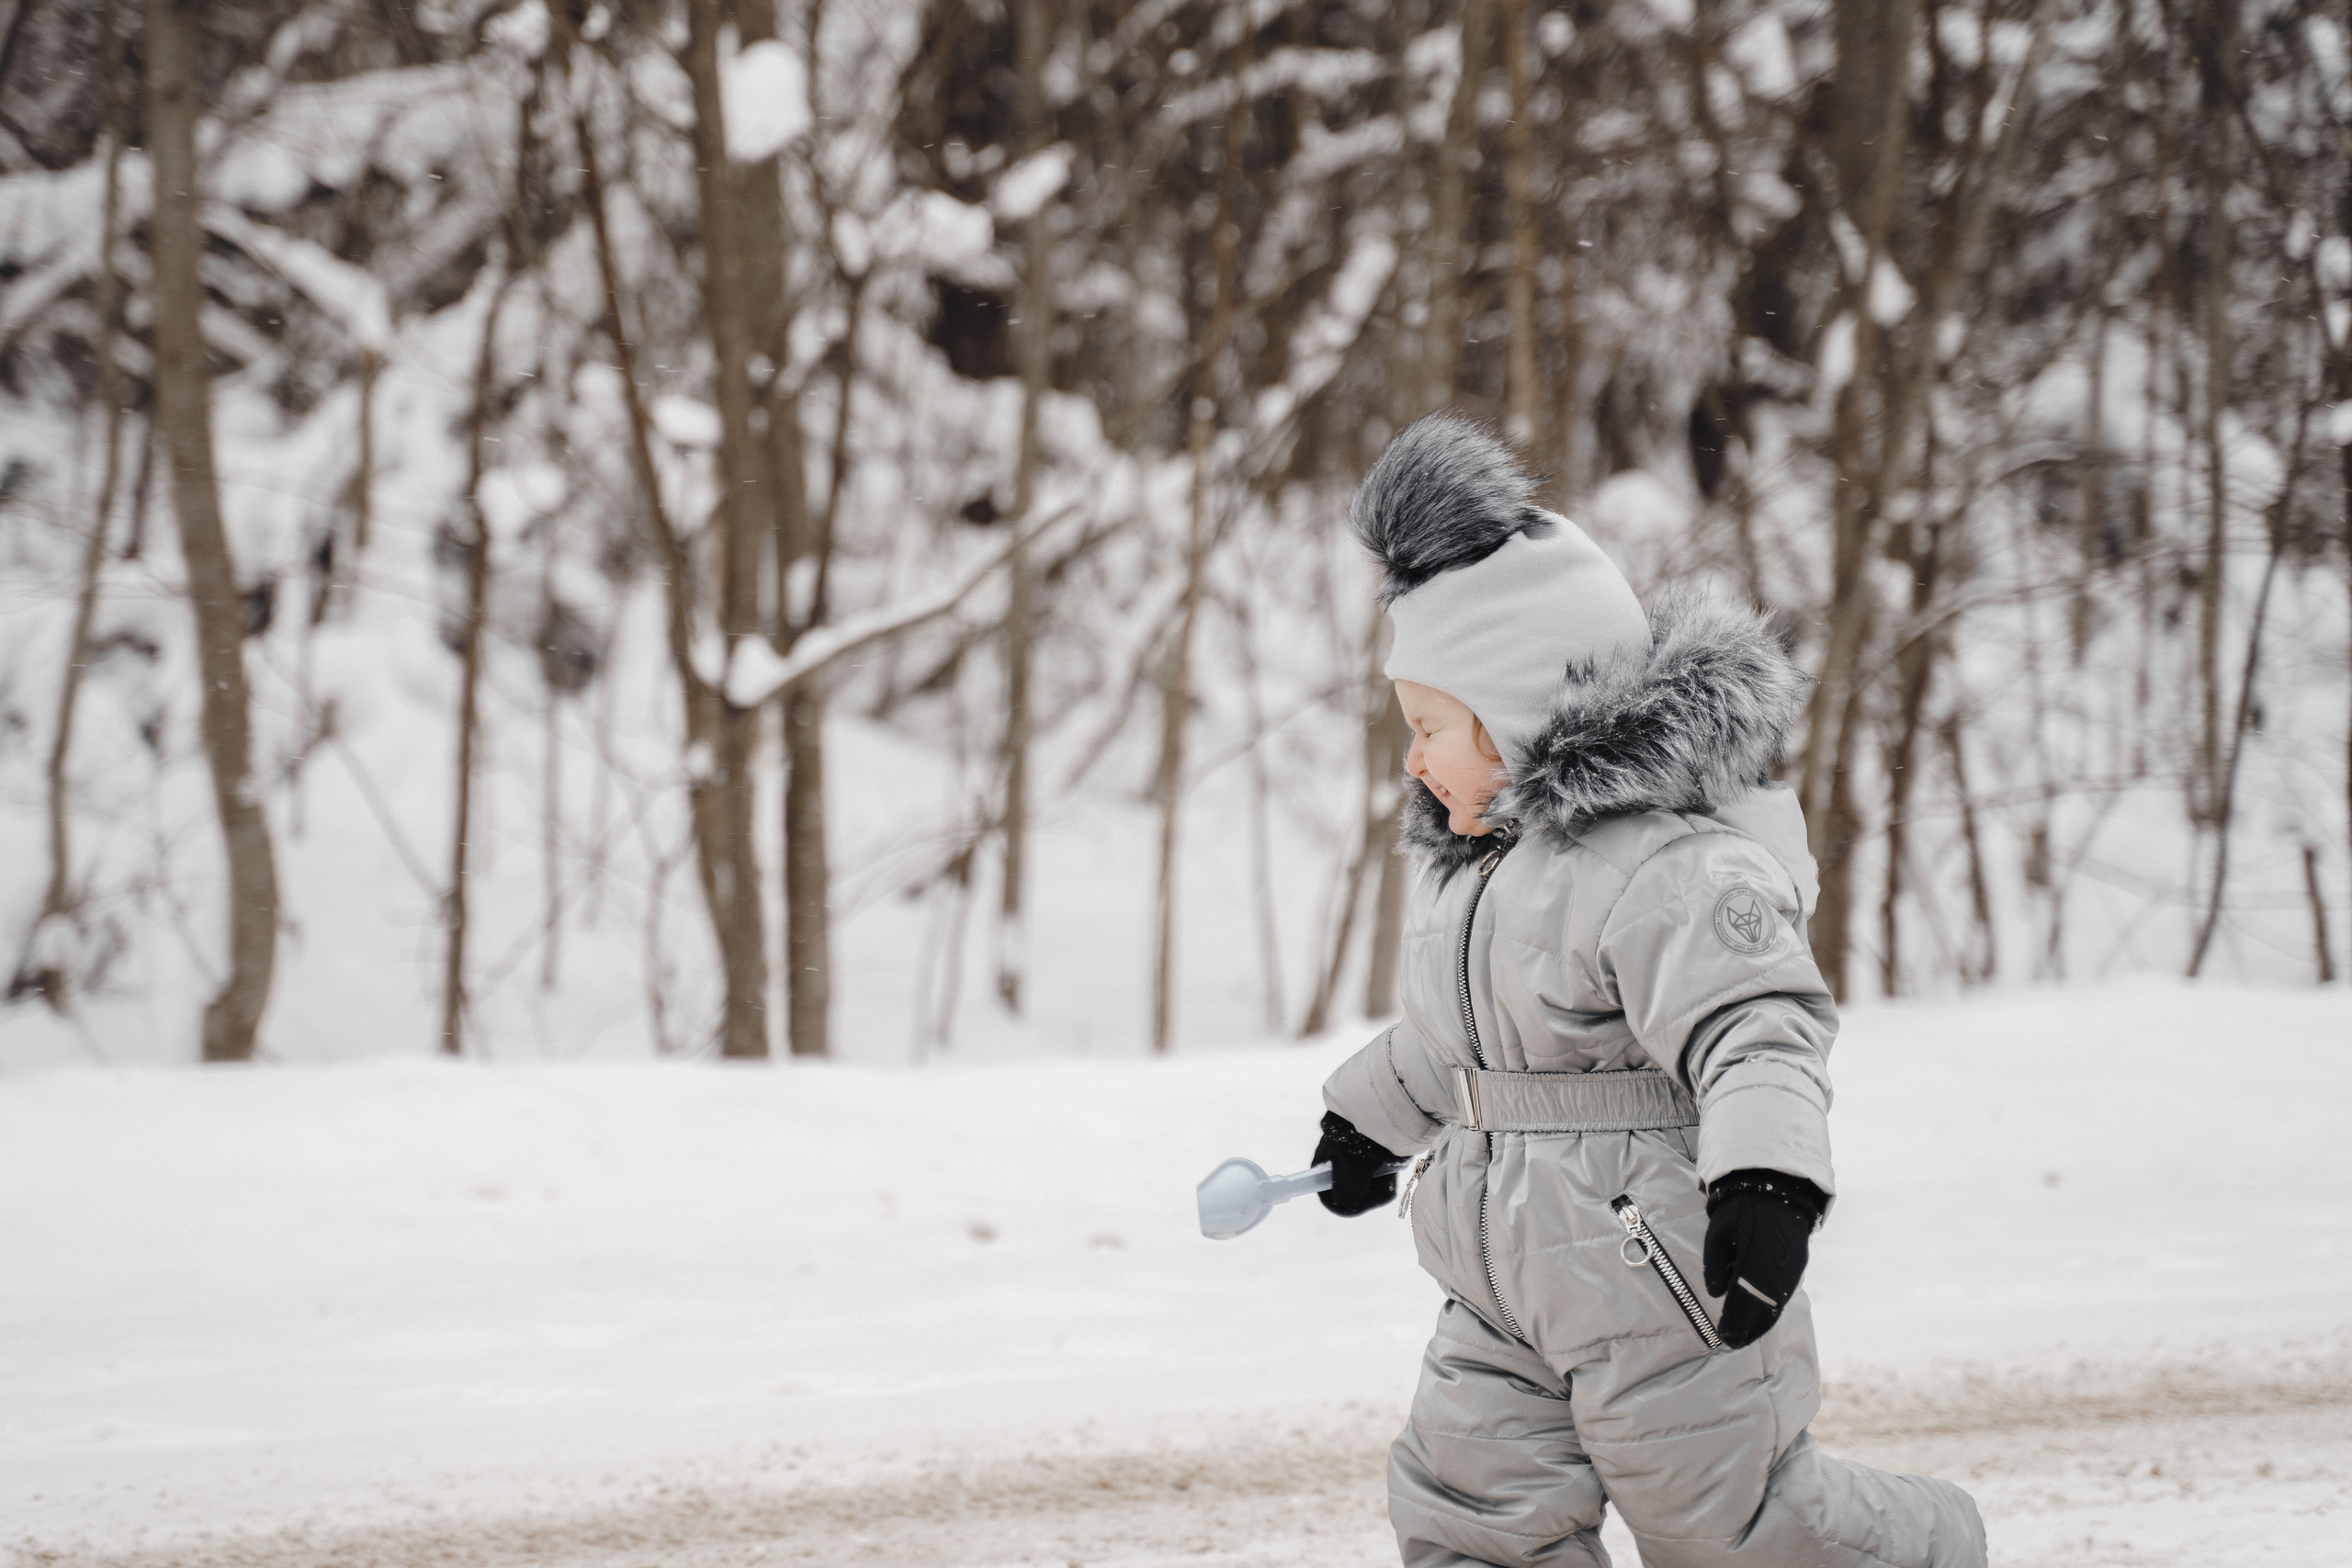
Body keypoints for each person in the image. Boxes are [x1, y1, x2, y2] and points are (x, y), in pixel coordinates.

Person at [1312, 414, 1985, 1568]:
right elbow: (1459, 1042)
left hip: (1660, 1276)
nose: (1415, 759)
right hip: (1498, 1290)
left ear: (1521, 710)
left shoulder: (1666, 868)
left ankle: (1922, 1551)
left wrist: (1766, 1179)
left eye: (1432, 726)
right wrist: (1365, 1120)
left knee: (1734, 1533)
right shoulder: (1484, 878)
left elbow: (1756, 1026)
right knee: (1470, 1519)